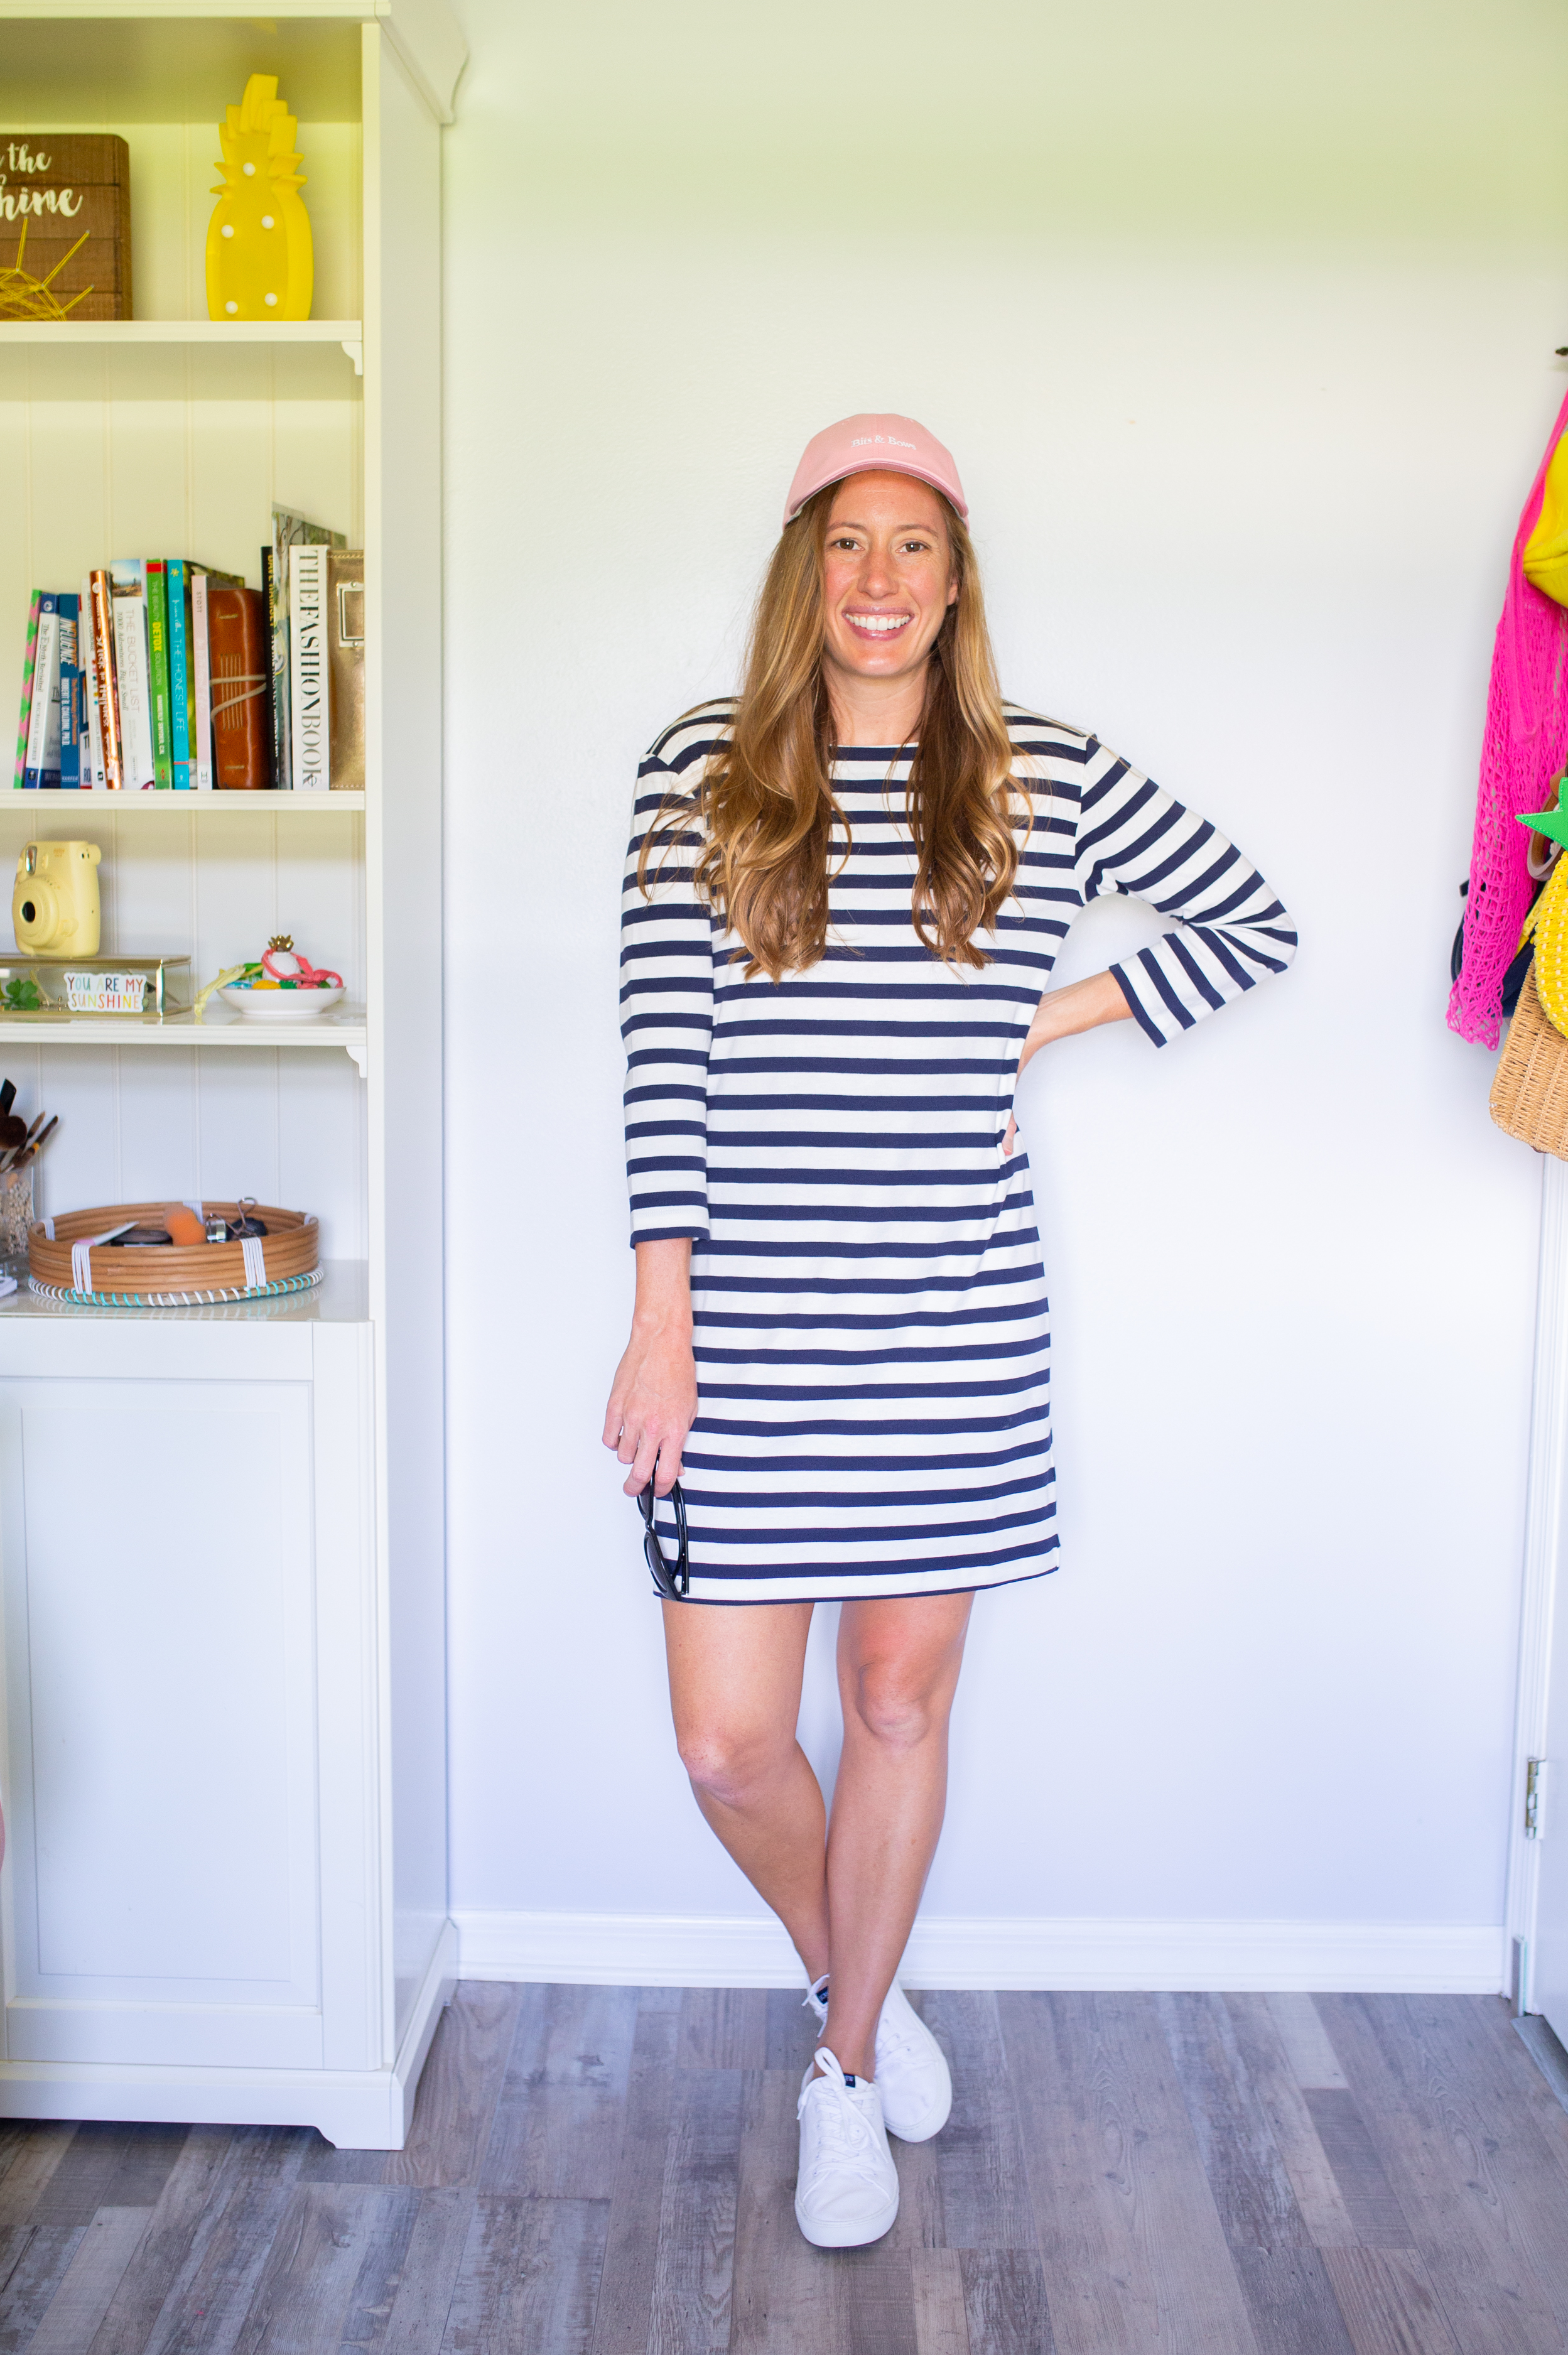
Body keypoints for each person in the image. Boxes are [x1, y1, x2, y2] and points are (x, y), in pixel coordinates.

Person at [603, 414, 1295, 2249]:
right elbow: (661, 1060)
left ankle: (837, 2074)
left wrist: (1032, 1027)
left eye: (915, 546)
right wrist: (656, 1323)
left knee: (894, 1700)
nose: (882, 580)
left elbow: (1248, 919)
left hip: (950, 1324)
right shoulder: (702, 772)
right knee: (727, 1747)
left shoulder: (1038, 774)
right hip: (740, 1327)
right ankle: (867, 1987)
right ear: (801, 570)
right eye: (849, 545)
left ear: (957, 575)